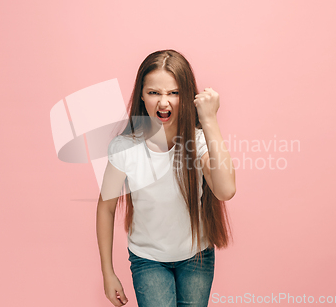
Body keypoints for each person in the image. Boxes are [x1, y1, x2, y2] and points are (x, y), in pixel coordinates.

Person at [96, 49, 236, 307]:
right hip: (147, 260)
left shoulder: (199, 139)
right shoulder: (124, 147)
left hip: (197, 258)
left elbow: (226, 190)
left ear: (187, 95)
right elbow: (106, 208)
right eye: (154, 93)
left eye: (174, 93)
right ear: (141, 94)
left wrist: (209, 121)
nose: (164, 102)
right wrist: (108, 273)